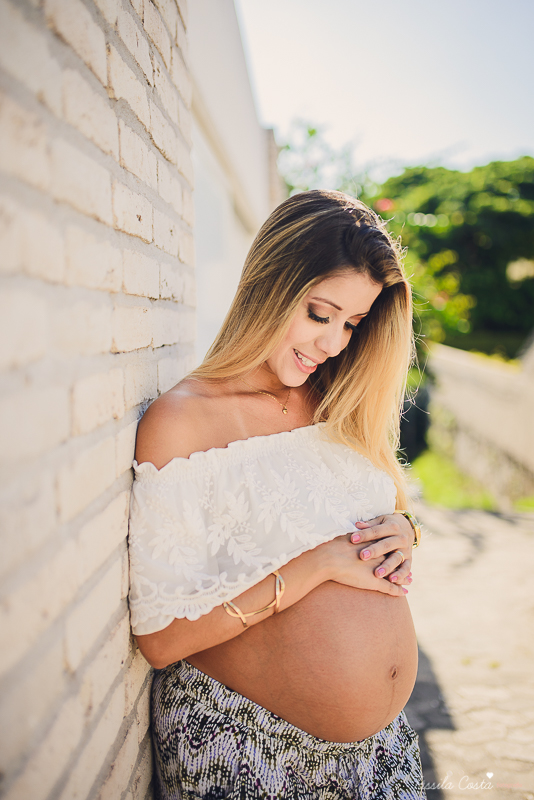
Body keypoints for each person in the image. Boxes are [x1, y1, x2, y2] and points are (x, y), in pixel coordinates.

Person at [128, 189, 426, 799]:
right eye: (320, 313)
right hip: (248, 741)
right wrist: (315, 567)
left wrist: (405, 529)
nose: (335, 343)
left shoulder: (336, 399)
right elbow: (159, 641)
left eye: (352, 323)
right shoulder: (184, 423)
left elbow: (359, 512)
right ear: (270, 285)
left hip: (383, 750)